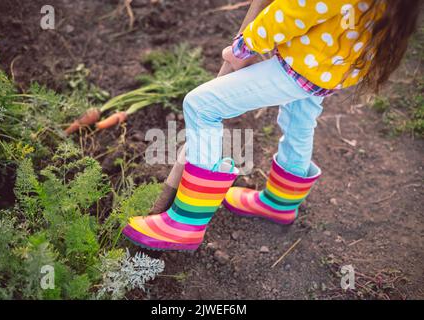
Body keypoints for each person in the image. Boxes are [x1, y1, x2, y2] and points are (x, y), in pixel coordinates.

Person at [123, 0, 421, 251]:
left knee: (202, 105)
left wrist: (243, 48)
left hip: (309, 62)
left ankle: (187, 222)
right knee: (299, 116)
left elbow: (295, 10)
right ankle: (280, 202)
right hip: (335, 63)